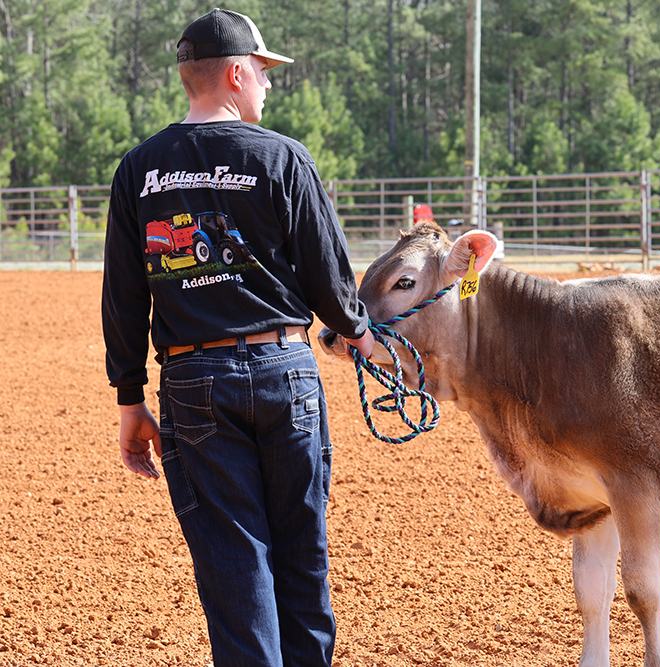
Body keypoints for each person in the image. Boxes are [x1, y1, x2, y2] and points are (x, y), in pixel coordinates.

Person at [101, 8, 375, 666]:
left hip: (195, 386)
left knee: (236, 576)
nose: (268, 85)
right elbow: (331, 285)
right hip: (286, 372)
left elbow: (124, 296)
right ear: (232, 74)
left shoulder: (139, 169)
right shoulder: (284, 159)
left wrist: (130, 398)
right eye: (261, 72)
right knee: (301, 565)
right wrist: (361, 333)